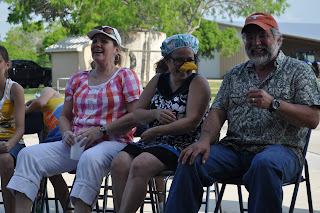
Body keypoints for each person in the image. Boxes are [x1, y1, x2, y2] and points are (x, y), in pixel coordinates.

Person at [165, 12, 320, 213]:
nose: (256, 42)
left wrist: (274, 104)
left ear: (278, 39)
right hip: (234, 151)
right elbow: (217, 112)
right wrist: (203, 140)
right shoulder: (234, 74)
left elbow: (313, 118)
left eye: (262, 36)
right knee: (190, 158)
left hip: (282, 151)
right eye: (249, 37)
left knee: (264, 164)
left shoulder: (299, 71)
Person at [7, 25, 143, 213]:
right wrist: (66, 134)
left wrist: (101, 130)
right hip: (77, 142)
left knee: (89, 158)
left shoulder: (125, 76)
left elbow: (136, 115)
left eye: (104, 41)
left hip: (113, 142)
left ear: (117, 50)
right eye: (94, 41)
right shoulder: (78, 78)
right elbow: (64, 116)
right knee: (28, 155)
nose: (97, 44)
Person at [111, 34, 211, 213]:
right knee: (119, 162)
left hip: (183, 144)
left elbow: (192, 123)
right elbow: (138, 114)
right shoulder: (158, 80)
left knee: (141, 164)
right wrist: (154, 113)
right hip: (152, 142)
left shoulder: (198, 82)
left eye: (190, 60)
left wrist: (156, 131)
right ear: (167, 60)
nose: (185, 65)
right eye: (179, 60)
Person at [25, 87, 71, 212]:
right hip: (60, 142)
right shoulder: (45, 123)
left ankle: (73, 207)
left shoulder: (49, 91)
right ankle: (68, 209)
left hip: (71, 134)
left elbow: (40, 102)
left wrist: (25, 109)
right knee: (45, 169)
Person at [0, 45, 25, 213]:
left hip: (13, 142)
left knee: (5, 160)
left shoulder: (15, 89)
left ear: (7, 65)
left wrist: (9, 145)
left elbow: (21, 128)